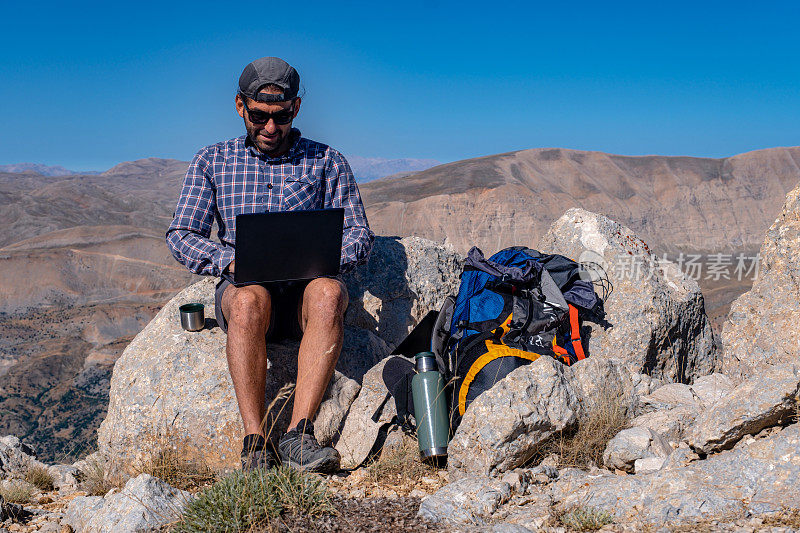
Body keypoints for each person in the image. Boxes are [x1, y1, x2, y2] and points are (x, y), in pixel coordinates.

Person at [165, 56, 374, 474]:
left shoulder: (327, 161)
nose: (270, 128)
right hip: (247, 292)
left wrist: (326, 259)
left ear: (296, 108)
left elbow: (359, 234)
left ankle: (299, 434)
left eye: (280, 117)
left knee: (329, 293)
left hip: (305, 299)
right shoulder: (212, 162)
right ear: (240, 107)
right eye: (259, 116)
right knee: (246, 302)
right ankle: (255, 441)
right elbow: (181, 235)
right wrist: (231, 260)